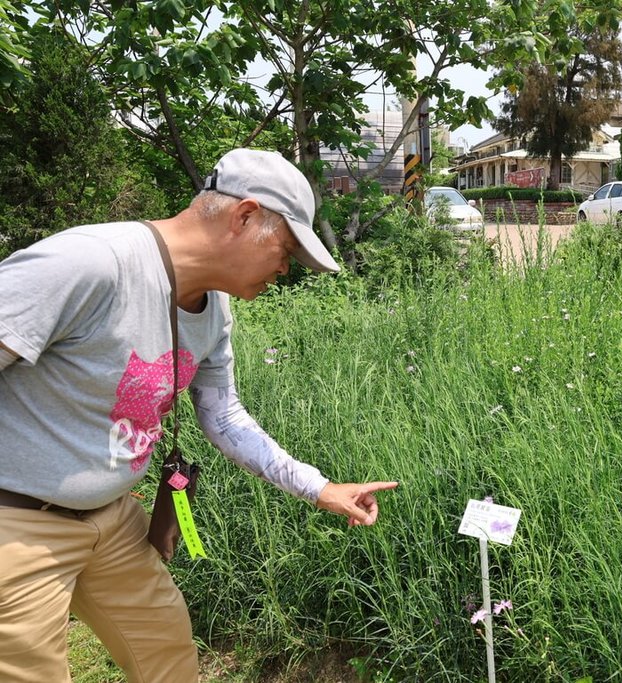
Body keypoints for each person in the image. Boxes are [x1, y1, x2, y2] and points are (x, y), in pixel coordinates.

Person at [0, 148, 399, 682]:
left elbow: (223, 415)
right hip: (19, 521)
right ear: (244, 216)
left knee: (168, 656)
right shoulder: (90, 263)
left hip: (111, 517)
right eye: (285, 250)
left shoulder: (216, 309)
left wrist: (319, 487)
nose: (285, 269)